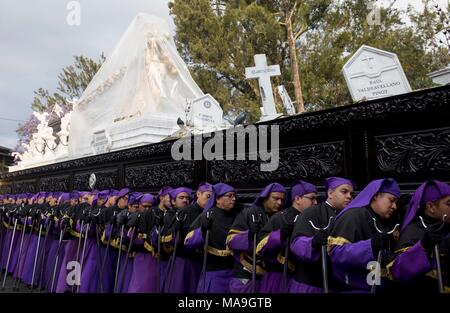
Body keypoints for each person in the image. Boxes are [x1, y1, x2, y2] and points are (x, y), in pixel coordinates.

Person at [328, 178, 401, 292]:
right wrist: (370, 246)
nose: (394, 206)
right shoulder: (353, 216)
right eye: (391, 200)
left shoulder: (390, 222)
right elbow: (336, 253)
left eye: (396, 202)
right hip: (354, 288)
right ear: (376, 195)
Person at [290, 177, 354, 293]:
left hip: (338, 285)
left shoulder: (352, 216)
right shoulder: (312, 212)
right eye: (344, 192)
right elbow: (296, 244)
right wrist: (313, 243)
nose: (349, 196)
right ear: (330, 193)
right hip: (311, 285)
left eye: (351, 193)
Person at [388, 180, 450, 292]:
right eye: (449, 204)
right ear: (431, 207)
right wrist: (424, 246)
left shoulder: (445, 225)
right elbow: (399, 271)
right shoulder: (414, 231)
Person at [256, 180, 318, 292]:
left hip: (305, 279)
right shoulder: (280, 217)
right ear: (298, 199)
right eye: (312, 198)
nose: (315, 202)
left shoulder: (315, 219)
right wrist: (280, 235)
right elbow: (261, 246)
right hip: (279, 277)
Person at [227, 182, 286, 293]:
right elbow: (231, 240)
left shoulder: (282, 217)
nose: (279, 203)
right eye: (275, 198)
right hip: (247, 274)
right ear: (265, 198)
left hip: (270, 276)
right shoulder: (249, 213)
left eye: (282, 200)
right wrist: (248, 234)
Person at [185, 183, 238, 293]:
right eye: (229, 196)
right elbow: (188, 241)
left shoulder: (237, 216)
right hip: (214, 271)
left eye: (234, 196)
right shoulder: (207, 215)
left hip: (234, 270)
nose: (233, 199)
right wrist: (202, 230)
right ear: (218, 199)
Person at [161, 185, 206, 293]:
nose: (185, 200)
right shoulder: (169, 214)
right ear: (173, 201)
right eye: (181, 198)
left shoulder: (197, 212)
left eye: (187, 198)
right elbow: (165, 238)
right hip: (181, 259)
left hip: (197, 259)